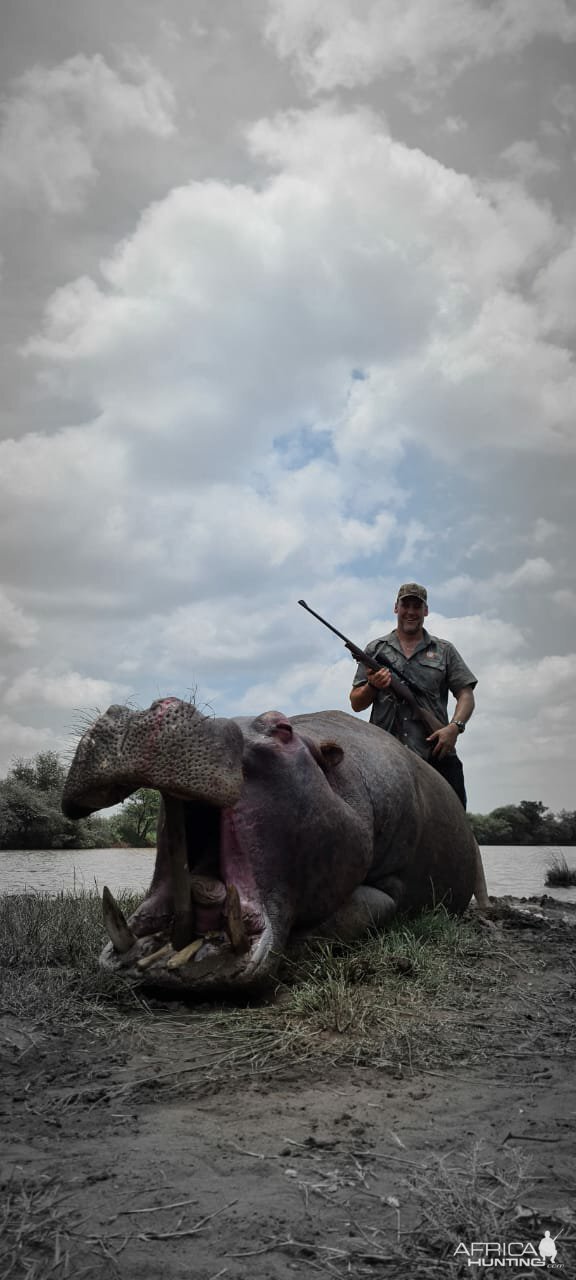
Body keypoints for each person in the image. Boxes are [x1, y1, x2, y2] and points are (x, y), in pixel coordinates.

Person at [349, 583, 476, 809]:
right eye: (405, 605)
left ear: (425, 610)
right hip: (383, 759)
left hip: (435, 752)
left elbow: (465, 694)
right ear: (395, 608)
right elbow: (356, 703)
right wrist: (373, 685)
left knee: (455, 827)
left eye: (416, 606)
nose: (410, 612)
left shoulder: (444, 650)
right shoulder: (375, 650)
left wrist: (454, 728)